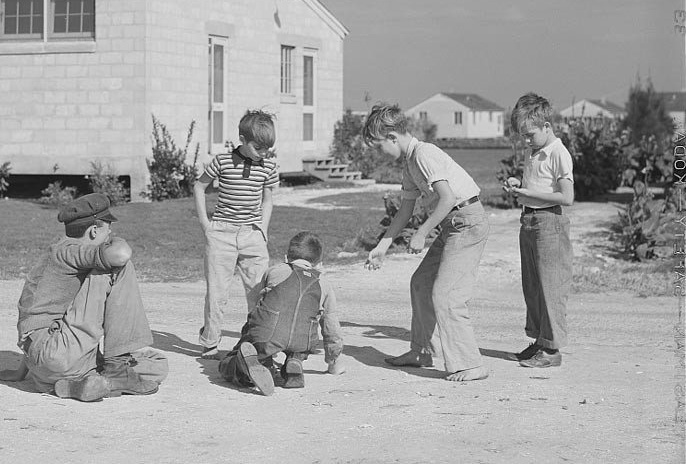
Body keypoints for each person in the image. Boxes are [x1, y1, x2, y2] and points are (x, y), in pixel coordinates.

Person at [0, 193, 168, 401]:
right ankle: (116, 371)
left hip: (51, 362)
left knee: (157, 365)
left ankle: (74, 385)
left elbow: (34, 323)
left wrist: (23, 370)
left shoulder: (55, 255)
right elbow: (120, 254)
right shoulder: (69, 250)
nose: (110, 234)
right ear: (93, 231)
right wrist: (115, 241)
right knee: (118, 267)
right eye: (107, 229)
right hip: (58, 350)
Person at [362, 103, 490, 382]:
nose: (379, 152)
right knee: (421, 283)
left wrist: (421, 233)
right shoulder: (409, 164)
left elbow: (447, 198)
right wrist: (382, 247)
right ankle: (421, 351)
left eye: (379, 145)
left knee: (446, 294)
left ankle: (471, 363)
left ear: (393, 138)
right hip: (452, 224)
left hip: (467, 221)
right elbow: (405, 210)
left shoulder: (424, 154)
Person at [193, 110, 279, 359]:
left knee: (259, 293)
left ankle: (256, 343)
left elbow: (268, 199)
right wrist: (205, 225)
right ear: (242, 139)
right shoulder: (222, 161)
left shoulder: (269, 167)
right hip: (221, 234)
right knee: (217, 293)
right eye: (258, 147)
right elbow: (199, 187)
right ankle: (210, 344)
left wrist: (263, 228)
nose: (263, 153)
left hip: (252, 236)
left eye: (267, 148)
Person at [218, 231, 346, 396]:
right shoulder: (324, 284)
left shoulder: (274, 271)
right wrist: (333, 360)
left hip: (269, 335)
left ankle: (254, 365)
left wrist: (249, 337)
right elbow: (331, 325)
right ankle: (294, 362)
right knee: (302, 328)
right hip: (303, 341)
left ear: (286, 258)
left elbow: (258, 307)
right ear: (319, 263)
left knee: (227, 364)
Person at [504, 92, 574, 368]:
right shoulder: (535, 152)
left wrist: (529, 194)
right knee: (532, 286)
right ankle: (539, 341)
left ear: (547, 127)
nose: (526, 140)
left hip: (549, 223)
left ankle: (552, 349)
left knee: (550, 287)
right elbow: (536, 187)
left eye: (530, 134)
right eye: (522, 135)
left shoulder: (558, 153)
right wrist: (517, 185)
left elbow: (566, 197)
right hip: (529, 221)